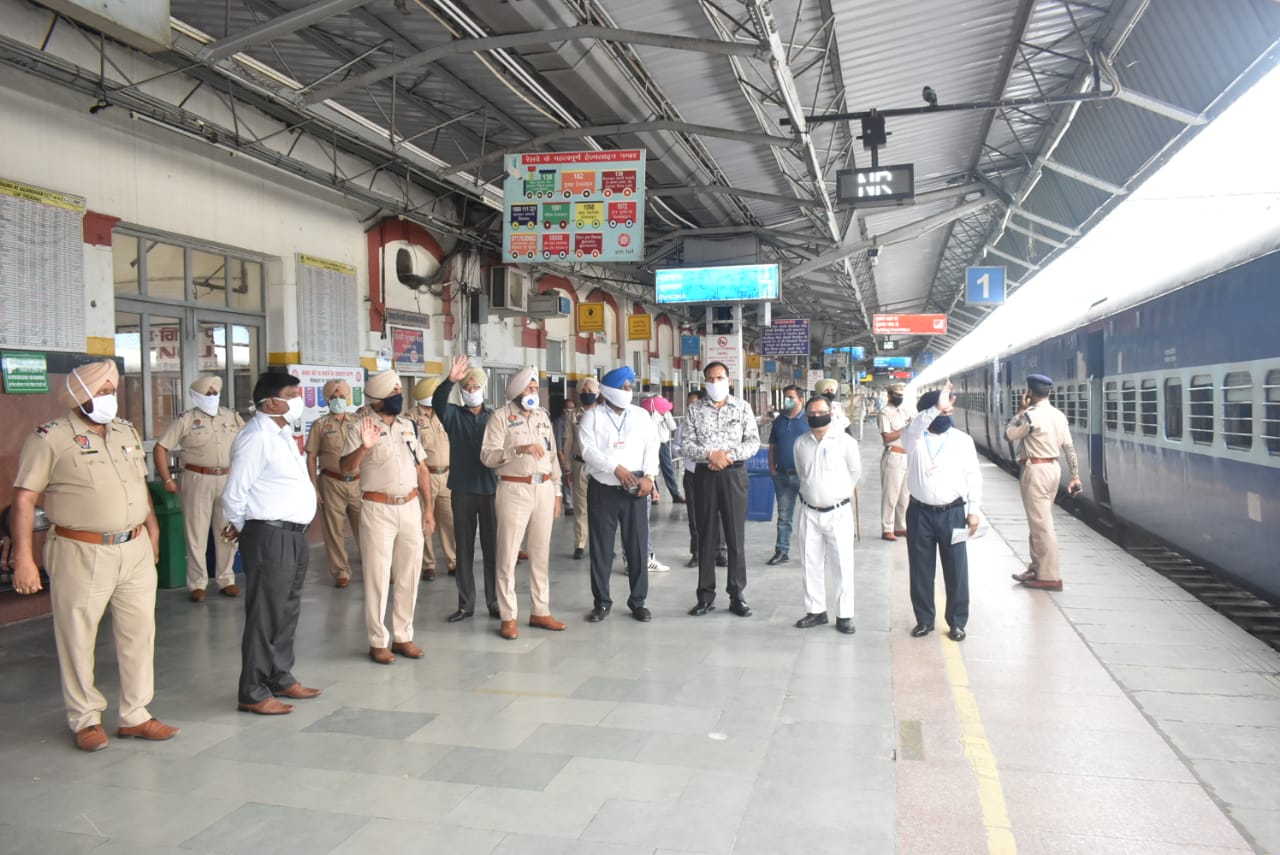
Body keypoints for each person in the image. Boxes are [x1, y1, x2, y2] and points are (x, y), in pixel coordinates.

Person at [11, 360, 179, 751]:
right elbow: (23, 499)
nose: (110, 399)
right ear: (77, 395)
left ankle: (136, 714)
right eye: (101, 392)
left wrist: (152, 531)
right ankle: (85, 718)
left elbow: (138, 485)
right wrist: (24, 557)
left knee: (139, 633)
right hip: (81, 549)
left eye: (112, 391)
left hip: (134, 548)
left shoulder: (126, 431)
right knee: (77, 636)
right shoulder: (50, 438)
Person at [222, 372, 320, 715]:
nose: (298, 399)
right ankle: (252, 690)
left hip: (293, 535)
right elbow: (234, 494)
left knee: (287, 609)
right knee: (265, 614)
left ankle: (280, 676)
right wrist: (246, 528)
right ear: (271, 402)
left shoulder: (281, 434)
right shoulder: (255, 437)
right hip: (269, 535)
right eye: (292, 394)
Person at [340, 370, 435, 664]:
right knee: (378, 576)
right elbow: (346, 468)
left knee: (409, 574)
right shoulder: (360, 426)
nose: (398, 396)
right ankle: (377, 640)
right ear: (378, 400)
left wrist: (428, 509)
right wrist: (364, 448)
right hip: (377, 508)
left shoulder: (407, 425)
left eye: (398, 391)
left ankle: (403, 636)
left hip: (410, 506)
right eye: (393, 393)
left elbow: (422, 469)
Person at [481, 366, 566, 640]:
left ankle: (540, 610)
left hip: (542, 488)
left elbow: (552, 458)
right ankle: (509, 616)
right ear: (517, 392)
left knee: (540, 554)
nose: (534, 393)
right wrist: (517, 449)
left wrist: (556, 493)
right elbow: (487, 456)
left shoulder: (543, 418)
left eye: (535, 389)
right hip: (513, 489)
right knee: (507, 554)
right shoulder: (500, 418)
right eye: (529, 389)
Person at [579, 366, 661, 622]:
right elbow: (587, 450)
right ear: (608, 390)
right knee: (601, 548)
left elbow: (652, 446)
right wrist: (615, 468)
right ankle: (601, 602)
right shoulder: (592, 417)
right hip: (604, 489)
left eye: (630, 387)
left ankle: (638, 601)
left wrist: (649, 476)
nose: (629, 392)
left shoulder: (641, 415)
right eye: (624, 387)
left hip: (637, 488)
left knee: (636, 545)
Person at [153, 375, 244, 602]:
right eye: (207, 393)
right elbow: (160, 448)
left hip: (227, 478)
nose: (212, 396)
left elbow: (247, 443)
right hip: (197, 478)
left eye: (215, 392)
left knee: (228, 530)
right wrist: (166, 479)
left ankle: (226, 578)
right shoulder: (186, 419)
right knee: (196, 532)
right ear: (196, 396)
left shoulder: (231, 416)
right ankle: (197, 583)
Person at [681, 362, 761, 617]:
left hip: (734, 475)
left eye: (720, 377)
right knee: (706, 536)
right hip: (705, 476)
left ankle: (737, 595)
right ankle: (705, 596)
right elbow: (686, 444)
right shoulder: (694, 410)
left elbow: (753, 441)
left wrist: (727, 456)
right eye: (711, 379)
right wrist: (710, 455)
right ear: (704, 381)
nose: (715, 382)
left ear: (729, 379)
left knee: (735, 537)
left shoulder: (742, 407)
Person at [904, 383, 982, 642]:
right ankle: (924, 620)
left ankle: (957, 622)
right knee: (921, 569)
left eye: (949, 413)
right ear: (929, 412)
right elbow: (917, 425)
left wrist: (974, 510)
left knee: (957, 568)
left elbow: (974, 476)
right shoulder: (912, 438)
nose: (947, 417)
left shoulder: (963, 441)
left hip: (954, 514)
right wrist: (936, 407)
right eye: (942, 412)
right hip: (919, 514)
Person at [433, 356, 500, 622]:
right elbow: (438, 403)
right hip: (461, 491)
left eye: (475, 387)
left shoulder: (495, 418)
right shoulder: (453, 416)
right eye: (467, 388)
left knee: (492, 548)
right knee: (463, 549)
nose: (471, 392)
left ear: (483, 389)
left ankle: (494, 601)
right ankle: (465, 604)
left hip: (491, 490)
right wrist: (450, 380)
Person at [1006, 373, 1082, 592]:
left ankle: (1049, 576)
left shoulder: (1030, 416)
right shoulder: (1059, 415)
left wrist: (1020, 412)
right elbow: (1069, 448)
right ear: (1049, 391)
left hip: (1036, 470)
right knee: (1039, 520)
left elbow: (1009, 435)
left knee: (1042, 524)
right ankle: (1036, 568)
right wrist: (1075, 475)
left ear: (1029, 393)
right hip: (1053, 469)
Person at [793, 394, 861, 634]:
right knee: (810, 563)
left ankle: (844, 615)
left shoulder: (845, 442)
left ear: (830, 414)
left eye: (820, 412)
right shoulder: (800, 443)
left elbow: (855, 472)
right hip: (809, 511)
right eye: (811, 414)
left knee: (842, 564)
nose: (815, 417)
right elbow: (802, 474)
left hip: (838, 512)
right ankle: (816, 611)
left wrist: (836, 495)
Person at [304, 379, 362, 588]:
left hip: (357, 482)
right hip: (331, 482)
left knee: (365, 528)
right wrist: (313, 486)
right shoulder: (321, 425)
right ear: (327, 400)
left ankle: (372, 564)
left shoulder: (357, 421)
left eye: (341, 397)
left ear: (347, 398)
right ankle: (341, 571)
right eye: (334, 397)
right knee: (333, 530)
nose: (338, 400)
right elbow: (311, 457)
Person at [673, 390, 726, 569]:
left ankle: (720, 552)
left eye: (694, 403)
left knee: (717, 513)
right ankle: (697, 553)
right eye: (689, 403)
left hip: (713, 473)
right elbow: (675, 447)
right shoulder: (683, 427)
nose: (691, 407)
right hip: (692, 475)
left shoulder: (715, 425)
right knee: (695, 516)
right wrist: (682, 451)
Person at [413, 377, 456, 582]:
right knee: (425, 520)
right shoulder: (411, 418)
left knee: (450, 520)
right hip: (425, 475)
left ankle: (453, 560)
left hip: (447, 474)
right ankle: (428, 564)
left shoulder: (445, 414)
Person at [765, 384, 809, 565]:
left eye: (791, 397)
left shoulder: (809, 419)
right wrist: (772, 469)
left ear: (801, 399)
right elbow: (772, 446)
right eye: (785, 397)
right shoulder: (780, 420)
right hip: (782, 475)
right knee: (784, 516)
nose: (787, 401)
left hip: (804, 476)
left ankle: (811, 553)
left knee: (810, 516)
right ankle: (782, 551)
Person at [562, 377, 599, 559]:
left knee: (601, 507)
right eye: (584, 392)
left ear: (597, 393)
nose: (587, 394)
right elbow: (568, 442)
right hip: (579, 465)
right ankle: (580, 544)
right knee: (580, 506)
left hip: (599, 467)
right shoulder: (573, 415)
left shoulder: (603, 414)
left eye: (590, 391)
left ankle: (601, 542)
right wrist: (567, 468)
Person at [878, 382, 912, 541]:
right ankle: (887, 528)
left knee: (904, 495)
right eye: (896, 395)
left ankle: (900, 527)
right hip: (893, 456)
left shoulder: (904, 411)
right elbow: (887, 437)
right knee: (890, 495)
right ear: (889, 395)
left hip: (906, 456)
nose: (899, 398)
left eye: (901, 396)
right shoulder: (884, 413)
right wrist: (905, 428)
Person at [642, 393, 685, 503]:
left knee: (668, 469)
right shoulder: (648, 414)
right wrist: (656, 417)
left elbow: (673, 427)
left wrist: (665, 417)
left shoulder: (667, 413)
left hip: (663, 444)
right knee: (651, 470)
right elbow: (648, 427)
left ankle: (675, 494)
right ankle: (654, 494)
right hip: (651, 444)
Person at [554, 397, 576, 515]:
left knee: (573, 481)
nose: (571, 411)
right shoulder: (560, 423)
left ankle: (573, 503)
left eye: (573, 408)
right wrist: (564, 463)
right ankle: (569, 505)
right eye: (569, 409)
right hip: (565, 456)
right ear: (564, 410)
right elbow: (559, 447)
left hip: (574, 456)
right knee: (567, 481)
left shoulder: (573, 421)